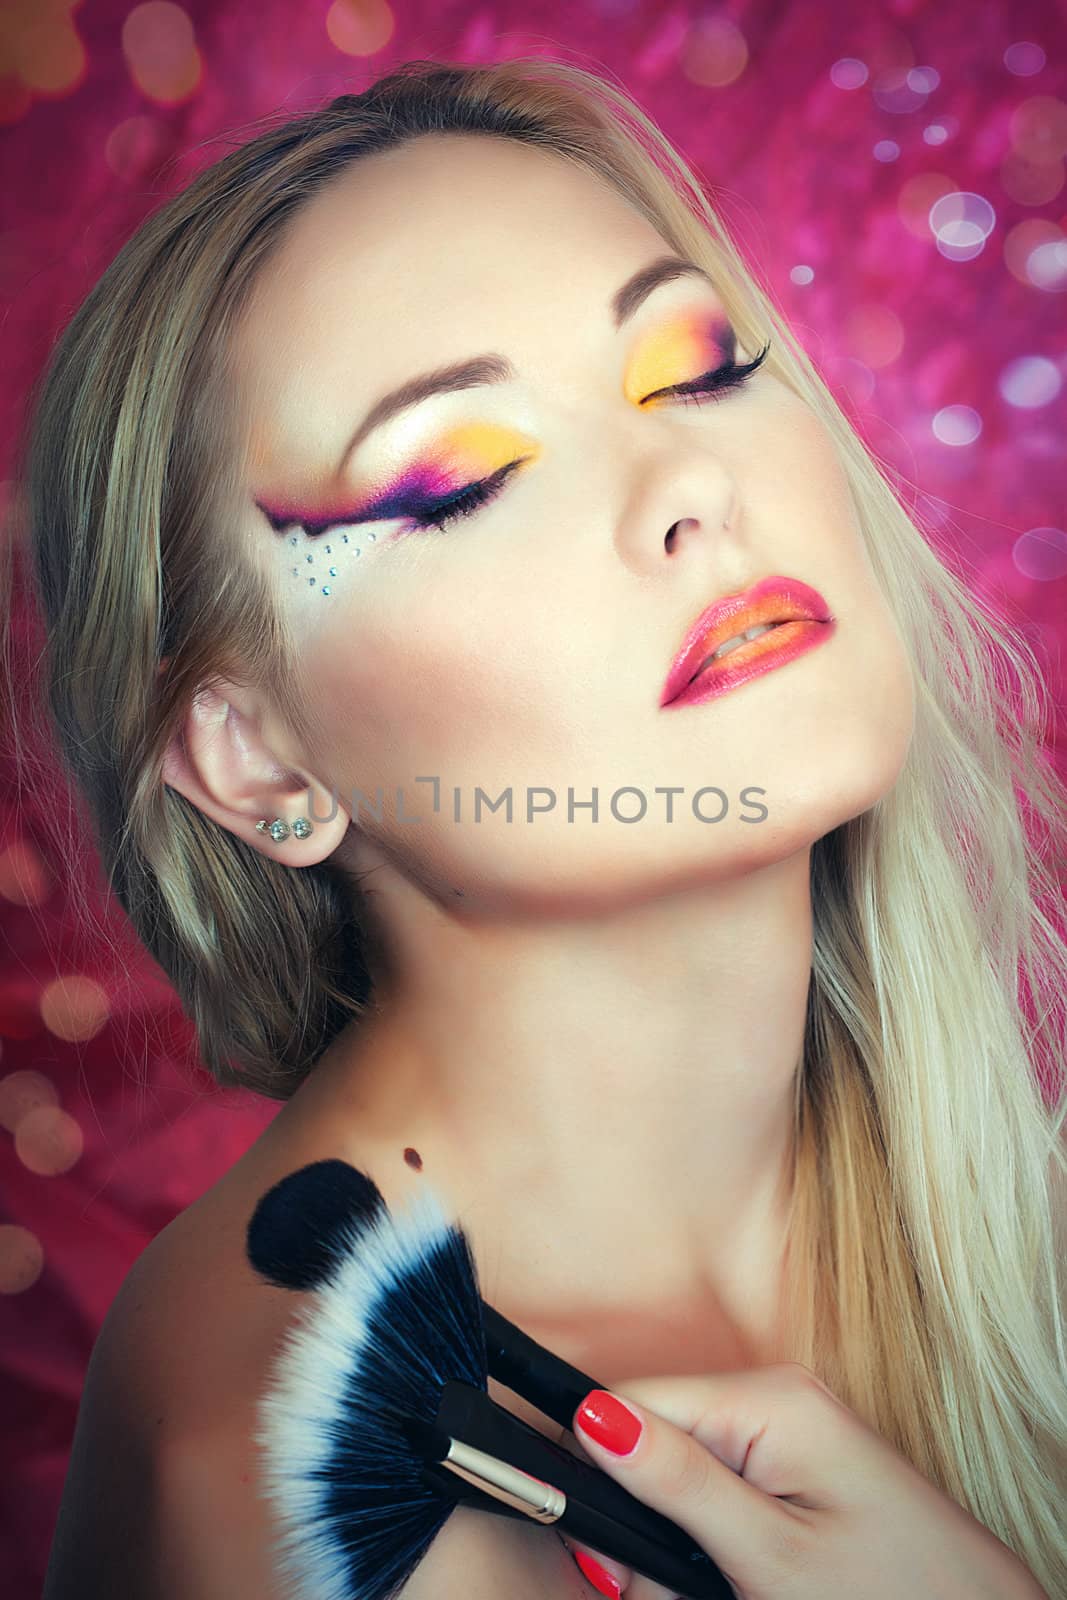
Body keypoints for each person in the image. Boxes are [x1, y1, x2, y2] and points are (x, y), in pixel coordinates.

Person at [4, 56, 1064, 1600]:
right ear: (254, 762)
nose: (688, 480)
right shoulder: (285, 1489)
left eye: (696, 367)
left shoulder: (1001, 1195)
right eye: (463, 480)